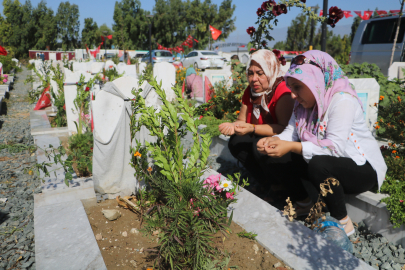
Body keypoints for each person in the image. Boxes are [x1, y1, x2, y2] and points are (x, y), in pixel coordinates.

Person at [257, 50, 387, 236]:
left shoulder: (341, 100)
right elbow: (290, 133)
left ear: (315, 81)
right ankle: (303, 203)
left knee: (319, 163)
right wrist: (274, 141)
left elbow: (333, 148)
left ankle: (343, 222)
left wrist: (292, 146)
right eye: (291, 88)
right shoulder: (302, 104)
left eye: (297, 87)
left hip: (361, 168)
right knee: (273, 153)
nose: (293, 95)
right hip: (332, 163)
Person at [218, 49, 294, 193]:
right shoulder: (250, 91)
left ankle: (279, 184)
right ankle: (265, 182)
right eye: (250, 73)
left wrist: (252, 128)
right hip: (258, 135)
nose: (253, 79)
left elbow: (283, 128)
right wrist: (232, 127)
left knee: (257, 145)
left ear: (270, 71)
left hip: (281, 140)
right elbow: (241, 120)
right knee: (235, 142)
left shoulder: (282, 91)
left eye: (260, 73)